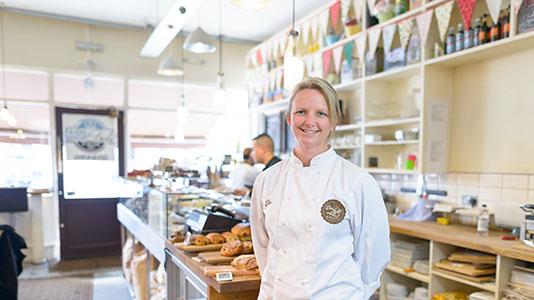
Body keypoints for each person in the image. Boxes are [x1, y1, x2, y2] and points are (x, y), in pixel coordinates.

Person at [250, 77, 390, 299]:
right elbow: (262, 247)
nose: (310, 121)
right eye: (301, 112)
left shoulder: (357, 182)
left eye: (321, 113)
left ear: (334, 121)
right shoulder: (267, 180)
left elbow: (373, 259)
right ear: (288, 118)